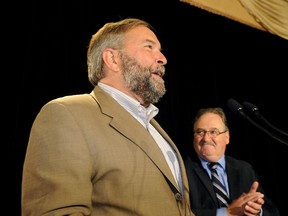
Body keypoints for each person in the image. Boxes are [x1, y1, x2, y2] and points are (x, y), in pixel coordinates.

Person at [21, 18, 195, 216]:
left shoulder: (155, 128)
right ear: (113, 59)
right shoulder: (66, 114)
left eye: (160, 49)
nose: (162, 58)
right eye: (149, 47)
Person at [185, 107, 279, 216]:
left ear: (227, 137)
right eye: (200, 132)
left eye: (213, 132)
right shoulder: (183, 170)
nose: (206, 138)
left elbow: (272, 212)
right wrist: (226, 213)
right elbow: (179, 212)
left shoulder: (244, 169)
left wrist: (257, 211)